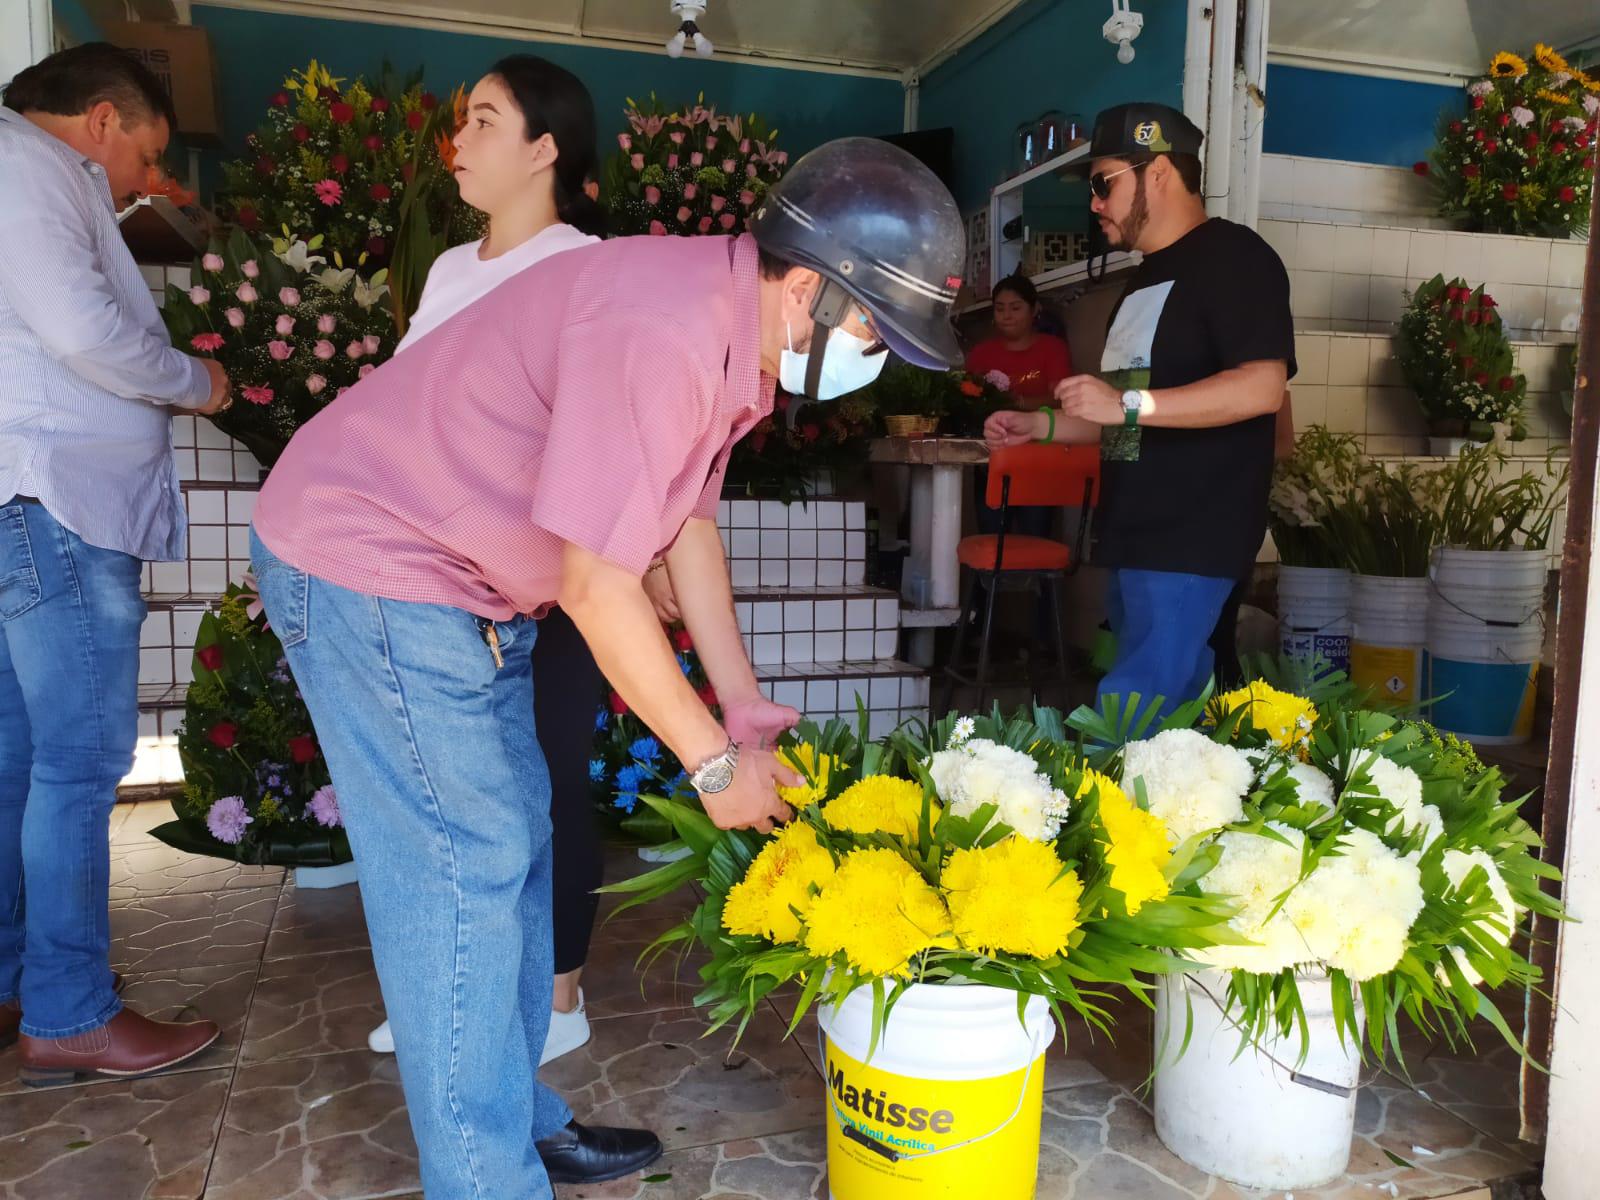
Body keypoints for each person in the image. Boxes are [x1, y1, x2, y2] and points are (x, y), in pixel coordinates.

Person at [248, 137, 966, 1198]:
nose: (878, 355)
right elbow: (596, 588)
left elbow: (687, 530)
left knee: (516, 848)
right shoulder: (665, 329)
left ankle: (514, 1124)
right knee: (462, 877)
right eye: (874, 326)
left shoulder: (734, 333)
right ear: (808, 285)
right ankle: (485, 1177)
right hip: (376, 560)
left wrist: (739, 701)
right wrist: (717, 769)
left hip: (463, 581)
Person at [358, 54, 618, 1070]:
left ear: (544, 147)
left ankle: (558, 1002)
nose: (456, 141)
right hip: (434, 577)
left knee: (544, 781)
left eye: (482, 119)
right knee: (443, 795)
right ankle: (452, 998)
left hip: (548, 576)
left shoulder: (581, 269)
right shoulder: (450, 271)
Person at [0, 44, 232, 1082]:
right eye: (142, 153)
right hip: (59, 503)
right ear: (102, 119)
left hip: (30, 501)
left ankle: (22, 983)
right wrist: (197, 381)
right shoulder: (31, 169)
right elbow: (82, 330)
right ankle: (71, 1009)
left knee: (20, 760)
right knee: (81, 762)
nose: (144, 181)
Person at [985, 102, 1295, 718]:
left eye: (1103, 183)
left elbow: (1262, 388)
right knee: (1166, 726)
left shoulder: (1235, 258)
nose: (1095, 203)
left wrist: (1124, 401)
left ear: (1157, 172)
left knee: (1130, 721)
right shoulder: (1143, 278)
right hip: (1135, 533)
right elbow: (1122, 414)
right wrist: (1042, 424)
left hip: (1193, 533)